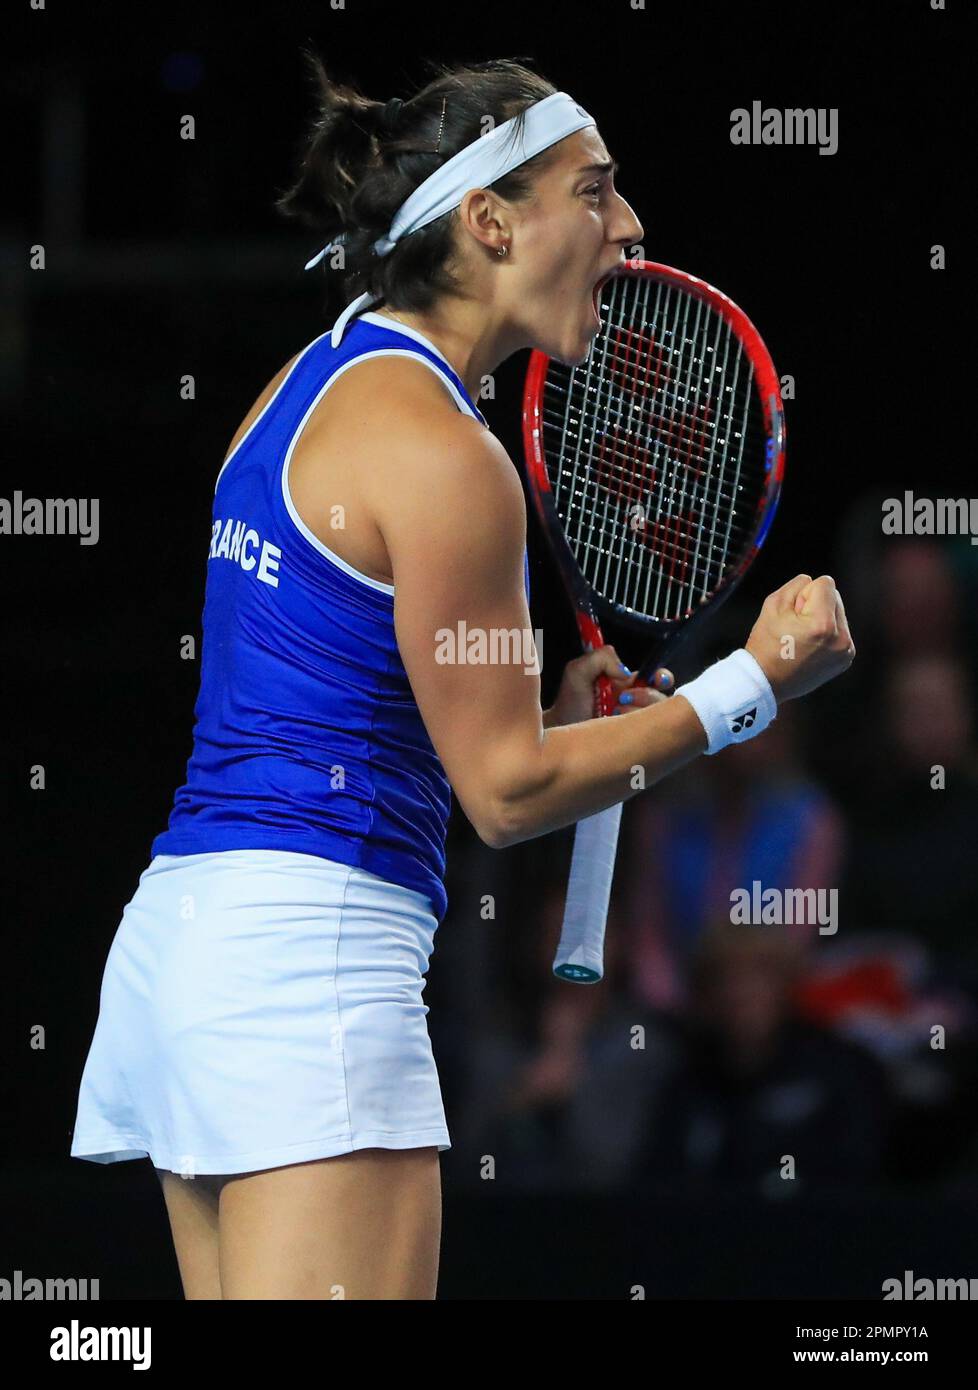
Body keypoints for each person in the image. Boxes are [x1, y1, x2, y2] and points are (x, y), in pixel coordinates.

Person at [69, 55, 855, 1299]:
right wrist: (747, 684)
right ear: (490, 220)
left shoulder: (307, 381)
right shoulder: (447, 452)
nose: (631, 225)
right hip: (308, 974)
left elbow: (379, 722)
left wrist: (551, 722)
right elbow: (503, 794)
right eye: (594, 191)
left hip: (189, 952)